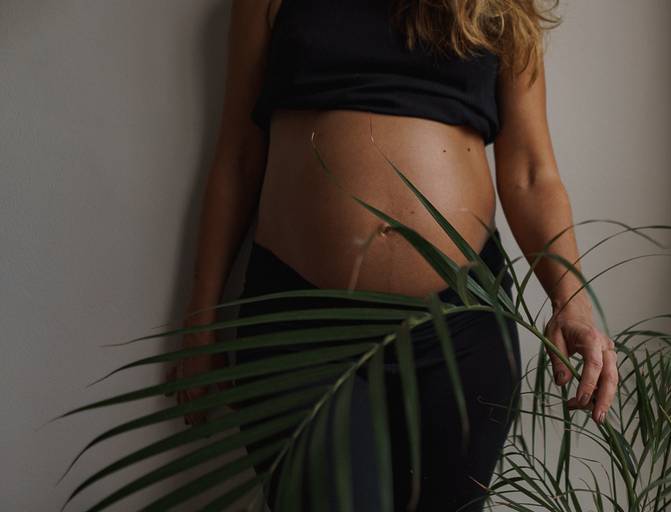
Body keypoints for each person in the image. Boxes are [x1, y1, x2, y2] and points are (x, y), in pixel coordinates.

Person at [166, 0, 619, 510]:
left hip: (460, 328)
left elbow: (532, 173)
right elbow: (238, 158)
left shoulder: (501, 4)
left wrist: (572, 302)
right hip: (299, 323)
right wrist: (202, 312)